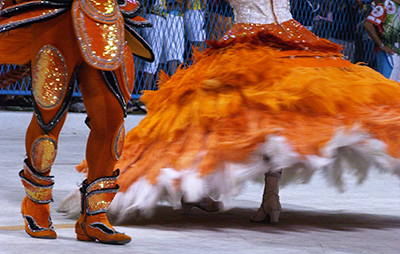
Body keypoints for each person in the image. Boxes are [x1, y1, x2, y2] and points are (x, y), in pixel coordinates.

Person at [67, 0, 400, 225]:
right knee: (275, 119)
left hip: (246, 43)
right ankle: (268, 199)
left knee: (217, 117)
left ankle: (206, 192)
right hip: (291, 38)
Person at [0, 0, 154, 243]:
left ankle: (95, 216)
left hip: (105, 16)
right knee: (49, 118)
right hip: (56, 15)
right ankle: (36, 205)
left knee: (112, 122)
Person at [141, 0, 185, 90]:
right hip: (154, 18)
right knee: (152, 60)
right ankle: (145, 94)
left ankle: (154, 91)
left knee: (158, 59)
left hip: (161, 18)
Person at [363, 0, 400, 80]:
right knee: (387, 85)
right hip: (389, 53)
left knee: (395, 89)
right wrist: (382, 45)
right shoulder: (386, 5)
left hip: (397, 53)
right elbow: (368, 25)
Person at [183, 0, 207, 64]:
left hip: (197, 12)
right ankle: (197, 67)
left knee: (198, 46)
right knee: (198, 46)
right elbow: (188, 3)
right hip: (193, 12)